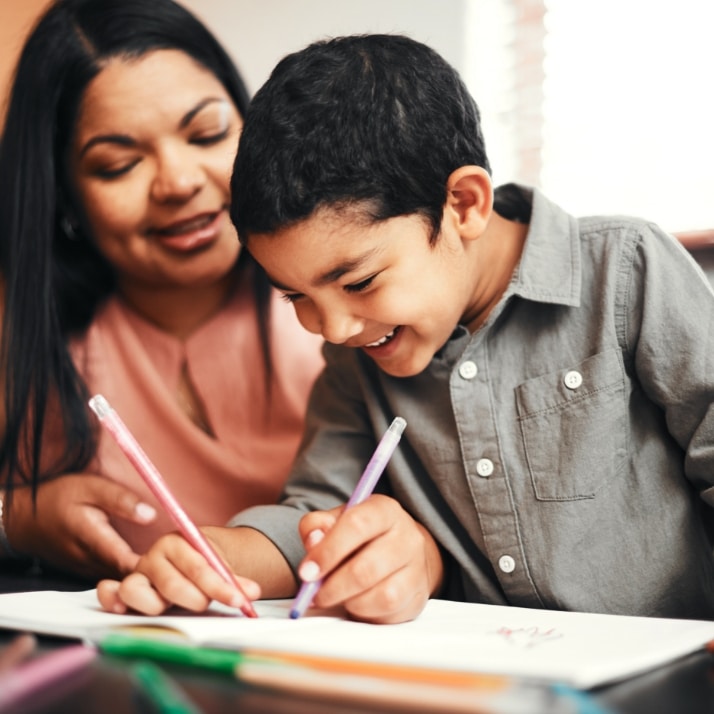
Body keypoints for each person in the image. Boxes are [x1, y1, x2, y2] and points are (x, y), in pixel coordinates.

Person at [97, 34, 714, 624]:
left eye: (360, 282)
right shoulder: (358, 354)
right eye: (294, 297)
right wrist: (215, 556)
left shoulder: (625, 268)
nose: (332, 328)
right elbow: (317, 515)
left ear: (465, 204)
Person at [0, 0, 323, 580]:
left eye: (208, 133)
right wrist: (14, 517)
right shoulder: (27, 342)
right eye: (119, 164)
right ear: (65, 196)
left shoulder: (346, 307)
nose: (177, 183)